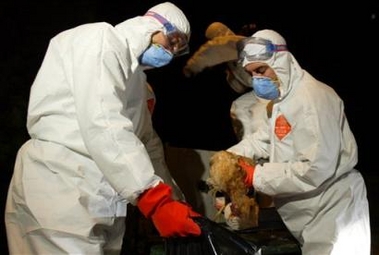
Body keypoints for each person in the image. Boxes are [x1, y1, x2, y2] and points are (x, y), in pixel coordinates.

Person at [5, 2, 202, 254]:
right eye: (172, 40)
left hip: (101, 200)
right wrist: (153, 199)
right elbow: (102, 119)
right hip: (59, 185)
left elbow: (147, 145)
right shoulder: (100, 38)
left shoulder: (138, 84)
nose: (172, 51)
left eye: (178, 48)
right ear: (151, 24)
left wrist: (174, 201)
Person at [227, 29, 371, 254]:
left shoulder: (313, 98)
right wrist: (229, 157)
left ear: (282, 60)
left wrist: (257, 175)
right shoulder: (282, 101)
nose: (257, 79)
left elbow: (315, 168)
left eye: (261, 70)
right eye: (252, 74)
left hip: (334, 210)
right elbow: (265, 140)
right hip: (313, 215)